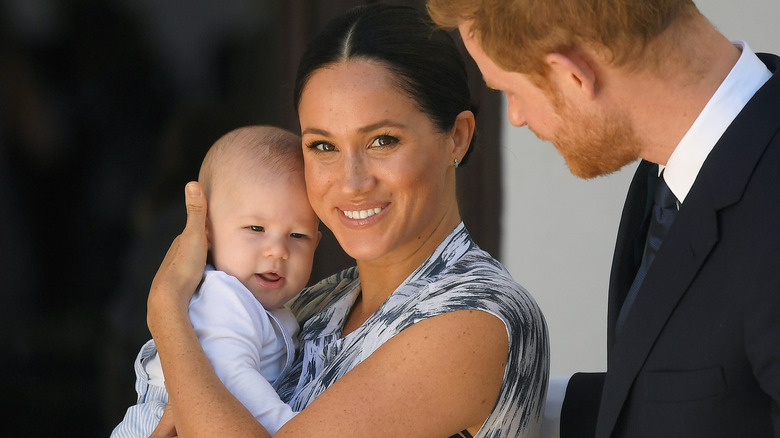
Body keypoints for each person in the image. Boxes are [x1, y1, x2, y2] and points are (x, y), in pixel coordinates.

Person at [144, 4, 549, 438]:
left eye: (382, 140)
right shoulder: (315, 304)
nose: (351, 182)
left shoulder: (478, 316)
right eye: (322, 146)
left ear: (458, 136)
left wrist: (167, 310)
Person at [427, 0, 780, 437]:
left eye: (510, 92)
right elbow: (701, 397)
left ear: (575, 76)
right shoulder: (671, 171)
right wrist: (495, 399)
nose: (516, 118)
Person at [111, 125, 321, 437]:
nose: (278, 250)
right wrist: (290, 428)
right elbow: (233, 379)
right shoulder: (223, 298)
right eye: (255, 228)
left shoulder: (271, 307)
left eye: (297, 235)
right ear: (206, 233)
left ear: (317, 242)